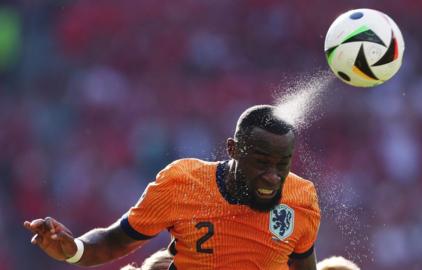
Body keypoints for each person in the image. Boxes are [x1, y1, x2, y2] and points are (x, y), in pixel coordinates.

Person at [24, 104, 321, 269]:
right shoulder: (183, 183)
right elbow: (116, 241)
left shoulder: (301, 199)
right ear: (233, 149)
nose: (273, 176)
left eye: (282, 163)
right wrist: (73, 249)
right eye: (261, 162)